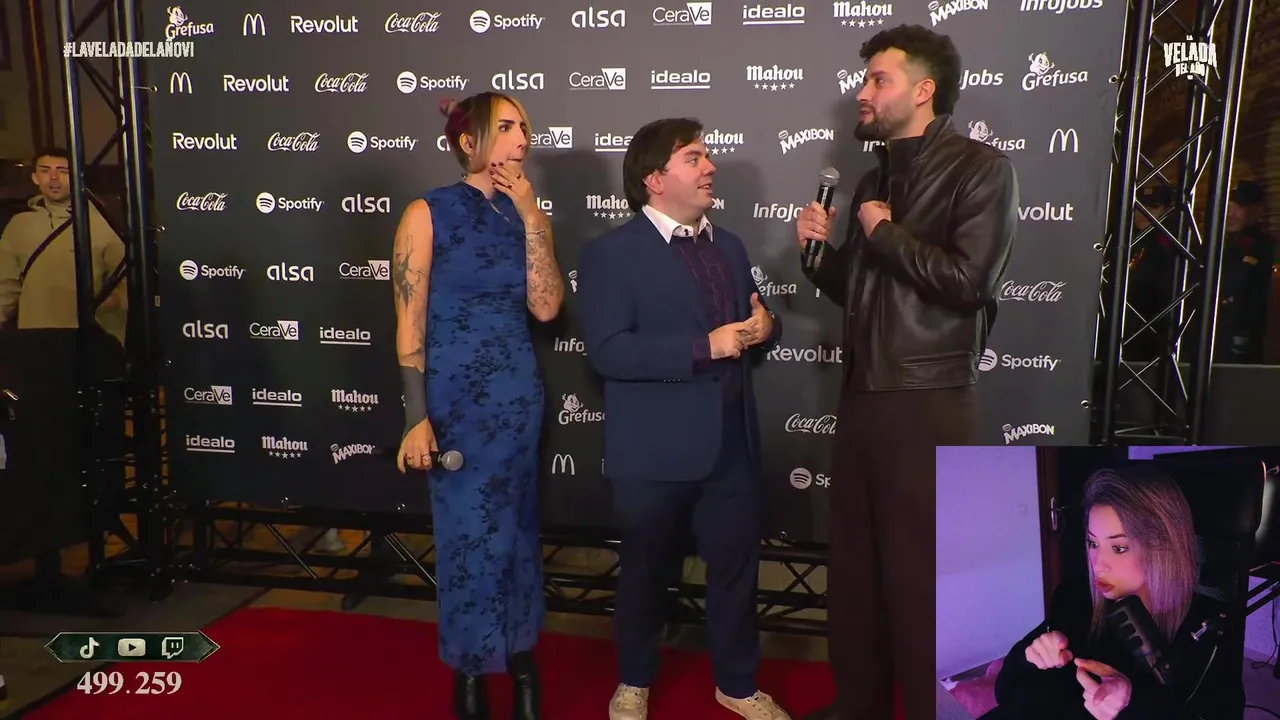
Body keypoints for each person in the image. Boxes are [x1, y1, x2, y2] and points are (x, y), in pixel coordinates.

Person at [793, 24, 1019, 720]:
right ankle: (858, 706)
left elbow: (968, 283)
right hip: (864, 396)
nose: (862, 92)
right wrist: (822, 260)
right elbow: (871, 294)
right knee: (857, 577)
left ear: (924, 90)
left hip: (929, 401)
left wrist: (883, 233)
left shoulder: (981, 169)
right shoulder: (874, 177)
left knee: (925, 582)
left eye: (877, 80)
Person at [577, 117, 790, 720]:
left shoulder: (731, 247)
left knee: (737, 576)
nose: (710, 167)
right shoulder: (612, 254)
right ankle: (634, 680)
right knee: (645, 573)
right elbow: (608, 352)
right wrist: (705, 347)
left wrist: (767, 327)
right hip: (653, 452)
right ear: (654, 178)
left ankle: (738, 683)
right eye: (694, 158)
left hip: (731, 447)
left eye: (706, 156)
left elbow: (750, 326)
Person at [391, 92, 564, 720]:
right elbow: (409, 324)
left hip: (517, 398)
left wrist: (533, 215)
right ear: (470, 142)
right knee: (468, 539)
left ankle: (523, 669)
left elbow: (546, 306)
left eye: (526, 127)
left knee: (516, 533)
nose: (523, 138)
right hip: (455, 403)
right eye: (508, 127)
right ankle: (470, 679)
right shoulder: (427, 212)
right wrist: (416, 416)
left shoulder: (526, 214)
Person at [985, 466, 1245, 719]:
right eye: (1092, 543)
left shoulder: (1206, 629)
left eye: (1119, 548)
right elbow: (1004, 692)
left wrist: (1132, 706)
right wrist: (1029, 656)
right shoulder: (1074, 599)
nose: (1098, 565)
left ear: (1164, 549)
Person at [0, 147, 127, 346]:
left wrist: (112, 302)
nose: (54, 178)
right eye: (45, 170)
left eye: (63, 171)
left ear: (77, 176)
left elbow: (128, 282)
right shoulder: (19, 225)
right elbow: (5, 285)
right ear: (35, 178)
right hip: (34, 338)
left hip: (90, 339)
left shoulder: (103, 223)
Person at [1215, 181, 1273, 363]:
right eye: (1227, 206)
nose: (1229, 213)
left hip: (1242, 347)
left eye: (1238, 207)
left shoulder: (1264, 247)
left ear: (1256, 210)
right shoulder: (1212, 243)